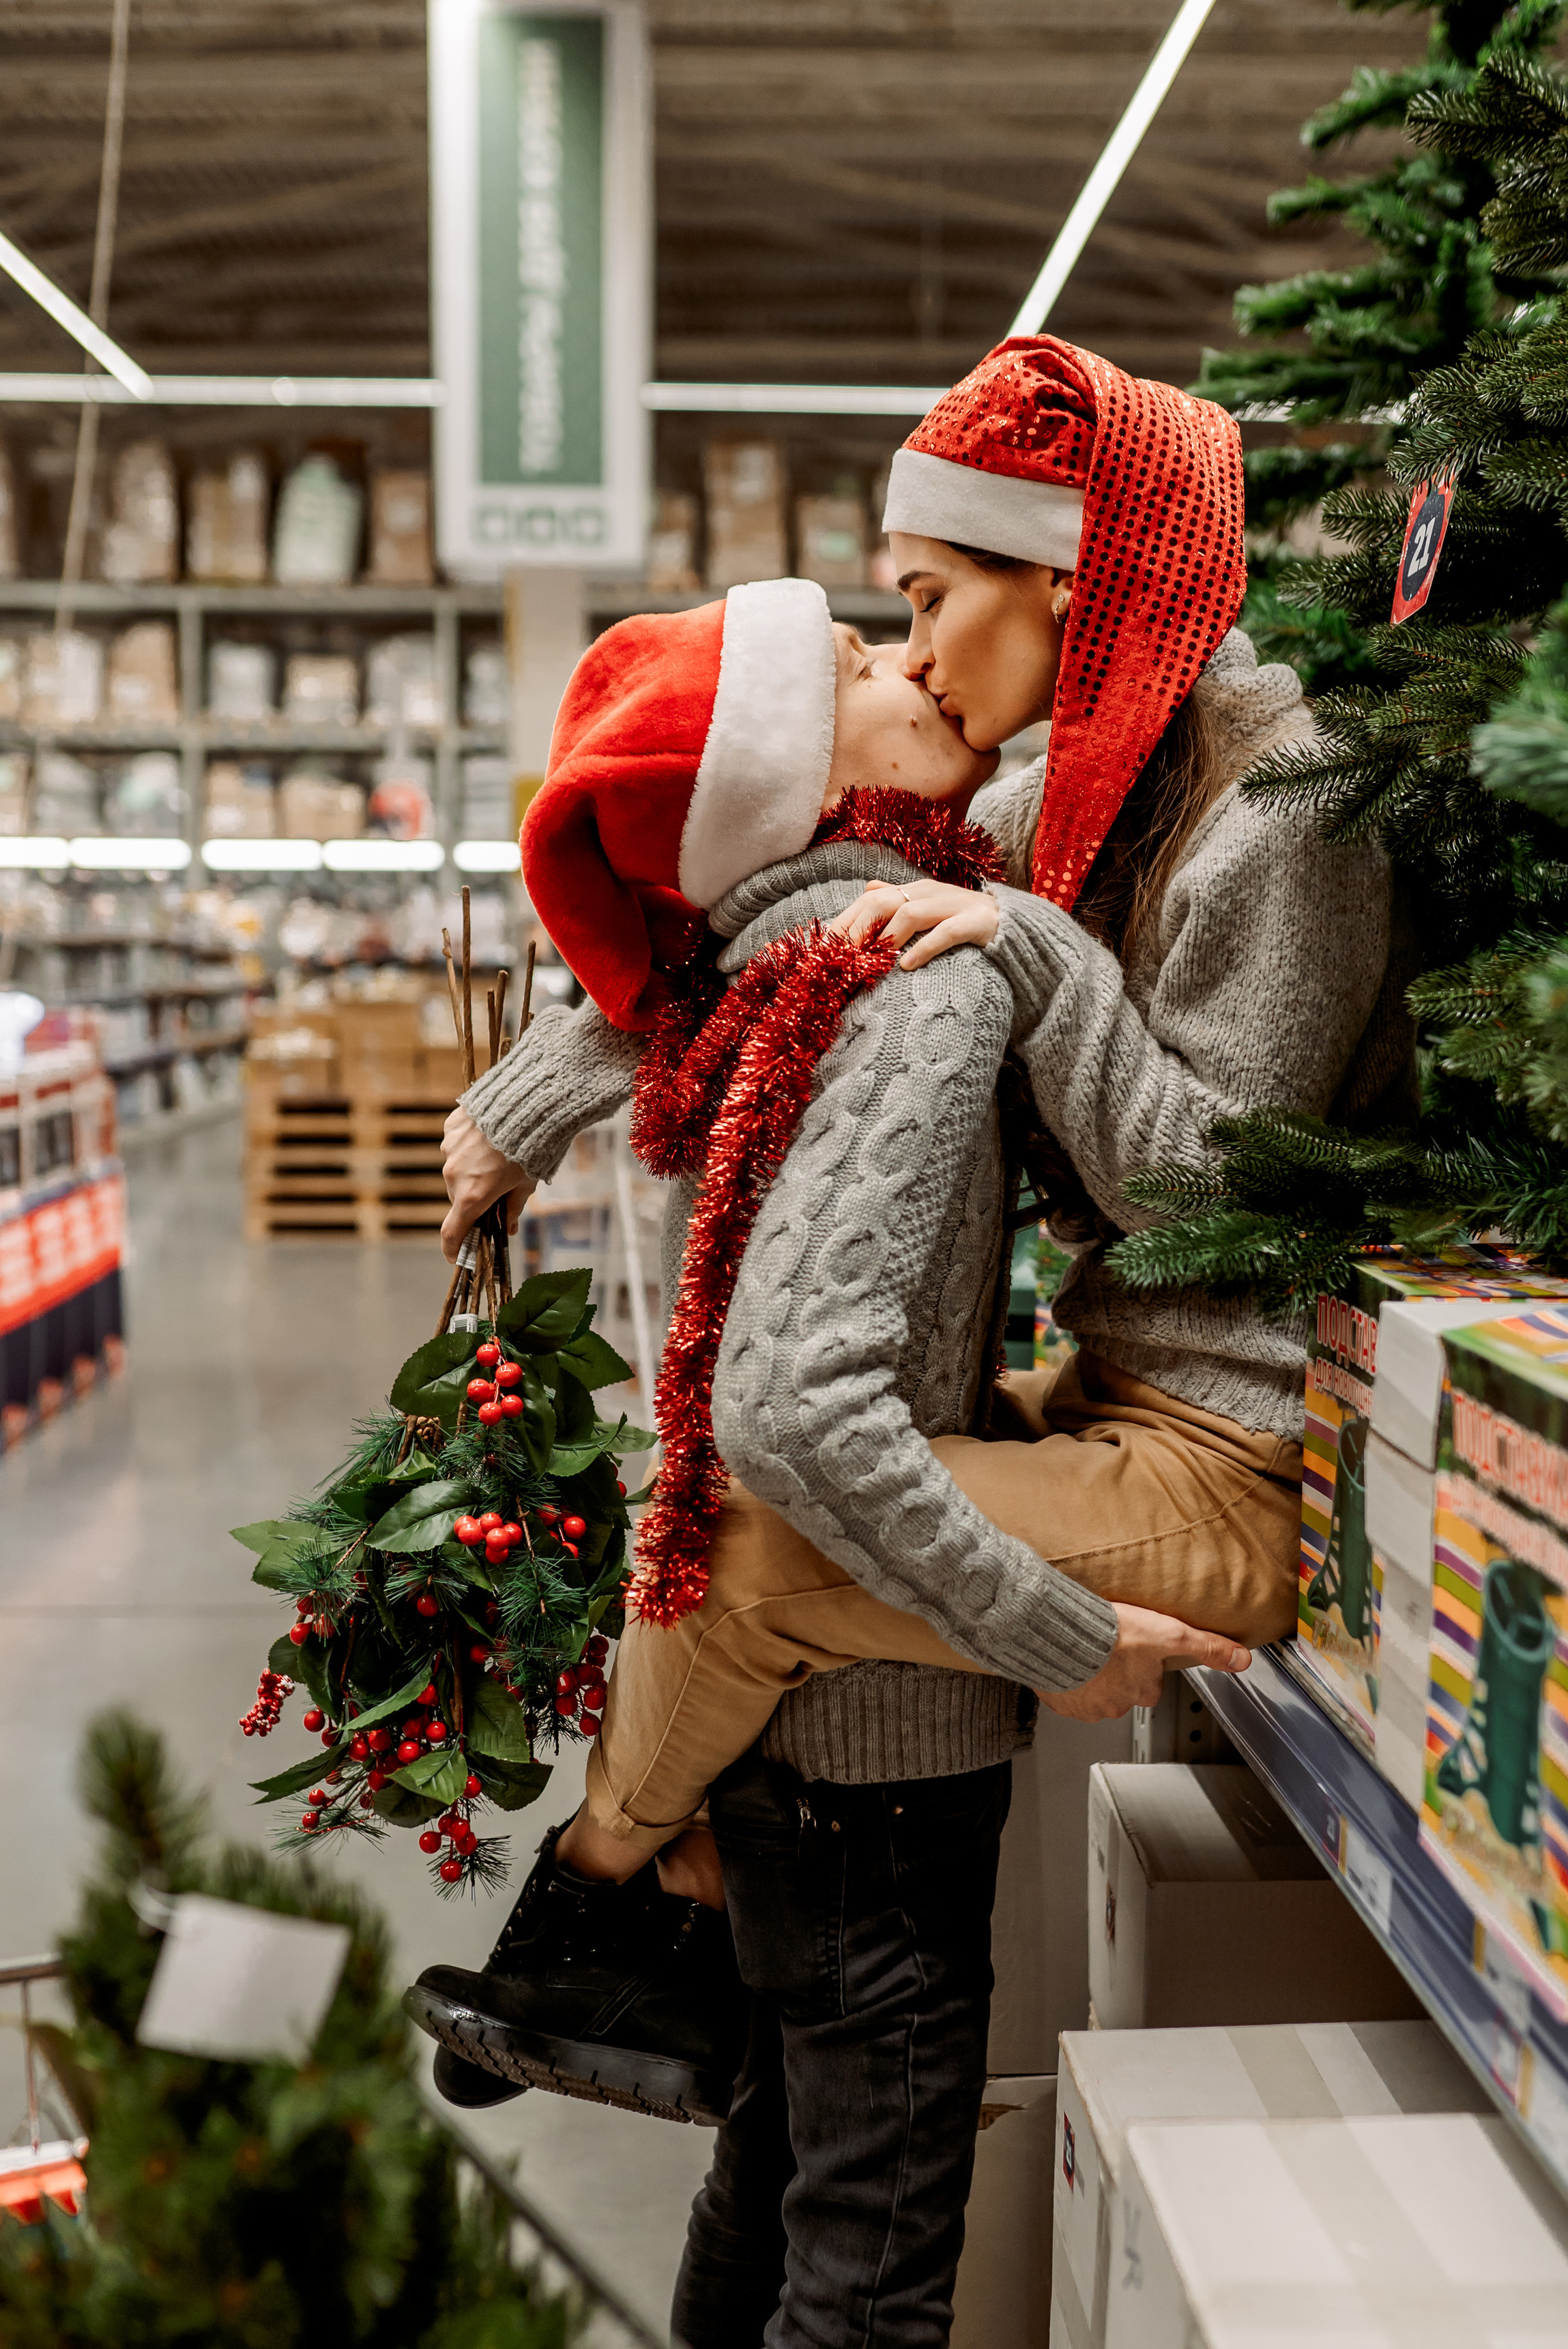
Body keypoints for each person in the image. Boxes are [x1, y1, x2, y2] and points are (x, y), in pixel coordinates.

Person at [418, 338, 1413, 2105]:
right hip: (1113, 1393)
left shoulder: (1286, 801)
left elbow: (1224, 1208)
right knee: (741, 1497)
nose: (920, 658)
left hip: (1243, 1446)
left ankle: (592, 1929)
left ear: (1069, 579)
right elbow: (800, 908)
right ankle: (665, 1930)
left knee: (752, 1547)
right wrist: (517, 1113)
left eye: (936, 598)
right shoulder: (1076, 776)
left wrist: (1038, 960)